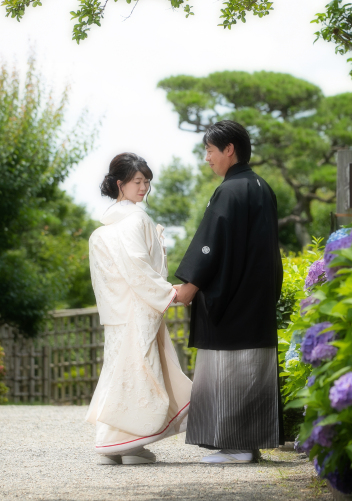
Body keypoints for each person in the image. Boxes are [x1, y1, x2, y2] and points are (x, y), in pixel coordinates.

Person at [174, 120, 284, 464]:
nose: (207, 158)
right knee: (252, 371)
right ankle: (247, 444)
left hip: (233, 300)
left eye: (209, 150)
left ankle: (236, 446)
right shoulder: (262, 187)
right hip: (257, 296)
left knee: (230, 370)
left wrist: (189, 288)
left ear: (229, 149)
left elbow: (211, 245)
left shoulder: (231, 190)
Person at [86, 153, 192, 465]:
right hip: (138, 307)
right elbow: (139, 267)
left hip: (119, 311)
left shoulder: (107, 226)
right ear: (120, 184)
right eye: (137, 181)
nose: (144, 187)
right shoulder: (133, 220)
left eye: (146, 181)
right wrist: (169, 293)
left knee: (120, 371)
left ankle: (111, 443)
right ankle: (130, 445)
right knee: (141, 371)